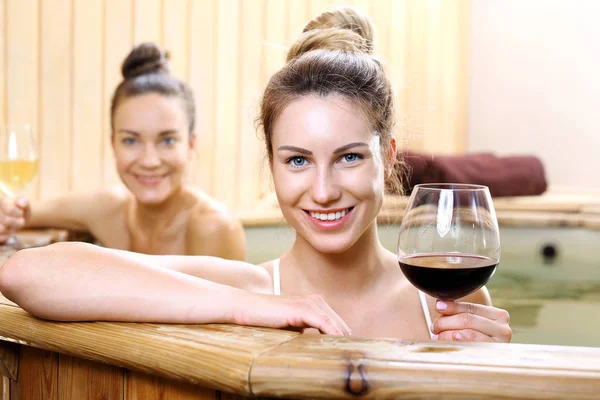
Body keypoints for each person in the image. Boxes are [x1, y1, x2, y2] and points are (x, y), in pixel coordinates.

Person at [0, 7, 511, 342]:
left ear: (389, 156)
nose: (324, 189)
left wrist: (495, 374)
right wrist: (249, 308)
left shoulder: (443, 304)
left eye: (350, 157)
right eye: (297, 160)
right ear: (271, 165)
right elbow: (24, 273)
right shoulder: (251, 289)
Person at [0, 43, 245, 258]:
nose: (149, 161)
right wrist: (7, 213)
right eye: (130, 141)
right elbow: (20, 213)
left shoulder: (213, 227)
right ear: (113, 144)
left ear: (191, 145)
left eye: (167, 140)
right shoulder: (108, 208)